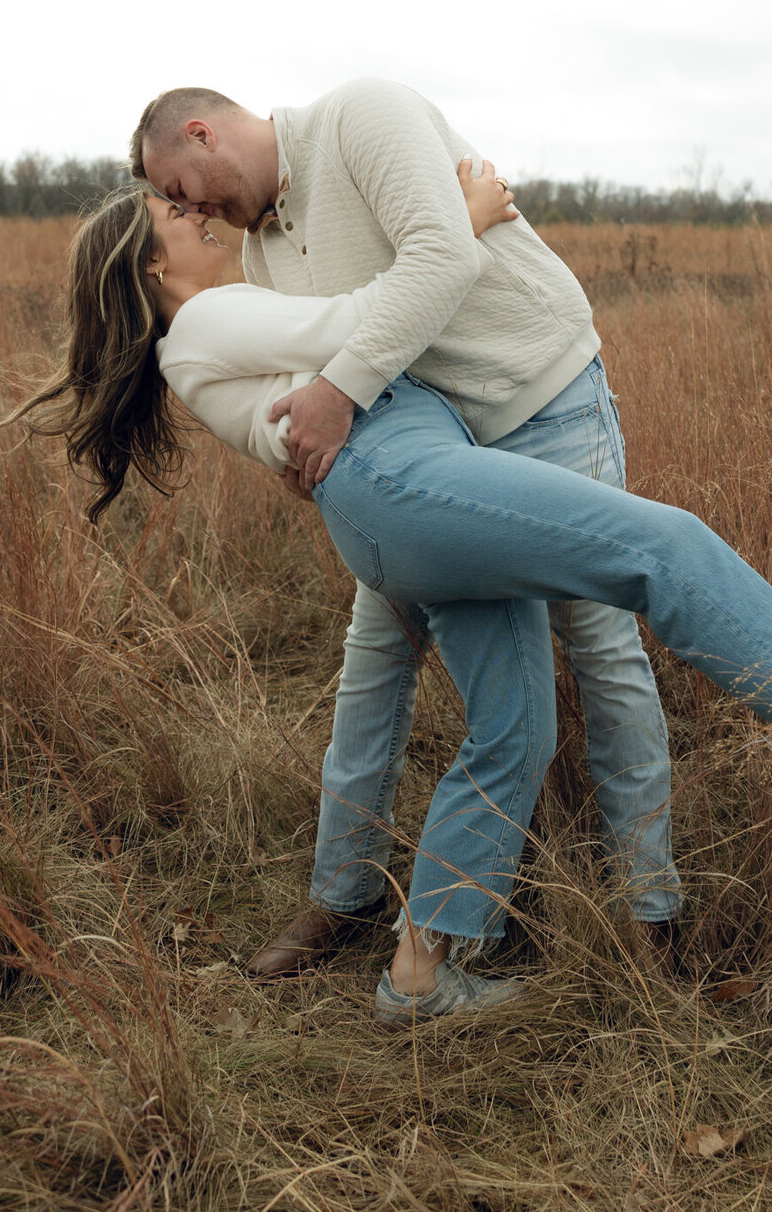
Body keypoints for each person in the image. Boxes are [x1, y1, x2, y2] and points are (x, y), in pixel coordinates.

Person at [11, 181, 772, 1030]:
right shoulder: (212, 320)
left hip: (399, 500)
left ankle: (423, 973)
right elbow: (365, 322)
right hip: (404, 480)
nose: (191, 214)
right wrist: (464, 216)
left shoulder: (206, 338)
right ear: (149, 265)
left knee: (513, 726)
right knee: (664, 542)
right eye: (170, 213)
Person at [132, 79, 684, 980]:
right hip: (435, 456)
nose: (195, 213)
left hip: (539, 401)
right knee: (375, 656)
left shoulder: (363, 117)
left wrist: (333, 400)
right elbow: (346, 339)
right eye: (181, 211)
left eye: (185, 190)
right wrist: (304, 443)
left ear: (202, 133)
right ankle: (341, 898)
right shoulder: (263, 253)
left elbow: (436, 267)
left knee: (598, 637)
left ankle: (650, 911)